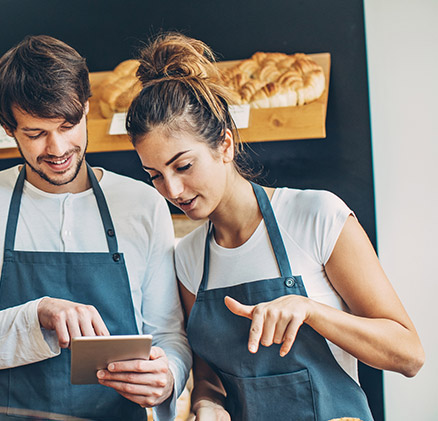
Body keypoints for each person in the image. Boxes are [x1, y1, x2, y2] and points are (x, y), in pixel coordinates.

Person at [125, 32, 425, 421]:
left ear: (225, 145)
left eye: (183, 166)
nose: (173, 189)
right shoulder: (187, 258)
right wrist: (208, 404)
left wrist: (310, 311)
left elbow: (409, 355)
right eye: (156, 176)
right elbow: (209, 374)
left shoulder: (315, 216)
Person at [0, 35, 192, 420]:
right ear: (7, 127)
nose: (58, 148)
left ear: (86, 107)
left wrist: (167, 378)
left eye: (69, 125)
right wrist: (36, 317)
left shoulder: (142, 203)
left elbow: (168, 335)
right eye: (35, 134)